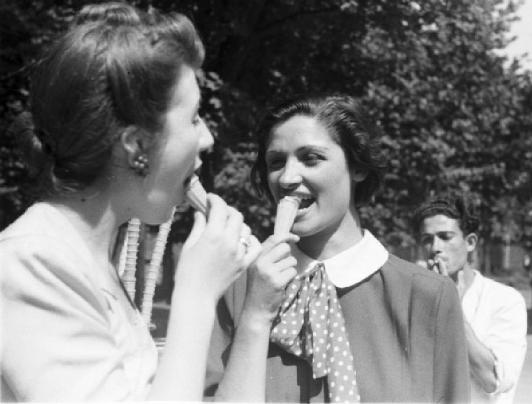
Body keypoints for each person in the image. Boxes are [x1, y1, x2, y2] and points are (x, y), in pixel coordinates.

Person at [0, 3, 296, 401]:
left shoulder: (92, 263)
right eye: (193, 118)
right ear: (138, 145)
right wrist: (195, 292)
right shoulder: (33, 264)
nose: (207, 138)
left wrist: (257, 313)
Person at [205, 95, 470, 402]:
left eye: (311, 158)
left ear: (357, 167)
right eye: (276, 162)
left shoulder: (427, 296)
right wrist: (256, 313)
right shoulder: (236, 291)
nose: (287, 178)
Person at [413, 193, 528, 403]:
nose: (436, 247)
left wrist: (452, 307)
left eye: (445, 236)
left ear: (471, 242)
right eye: (427, 239)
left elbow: (493, 380)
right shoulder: (415, 299)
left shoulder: (505, 300)